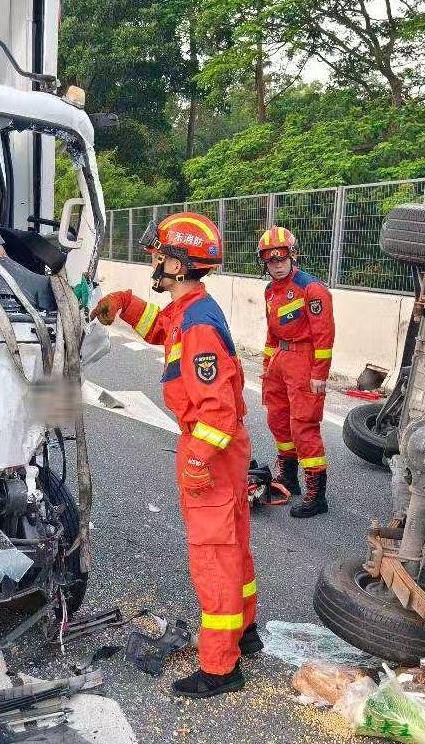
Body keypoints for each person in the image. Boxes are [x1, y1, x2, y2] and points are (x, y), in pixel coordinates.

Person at [89, 212, 260, 698]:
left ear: (180, 264)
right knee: (234, 545)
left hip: (211, 447)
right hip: (220, 449)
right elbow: (162, 328)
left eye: (160, 255)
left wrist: (197, 460)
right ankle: (244, 634)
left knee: (214, 556)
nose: (154, 261)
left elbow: (219, 414)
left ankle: (221, 668)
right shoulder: (190, 311)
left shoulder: (200, 326)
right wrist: (123, 304)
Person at [258, 226, 335, 518]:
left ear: (292, 256)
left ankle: (317, 496)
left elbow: (324, 337)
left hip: (304, 361)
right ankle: (289, 477)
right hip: (280, 359)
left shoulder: (312, 289)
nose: (276, 264)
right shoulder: (269, 291)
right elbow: (271, 333)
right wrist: (267, 368)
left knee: (304, 426)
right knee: (278, 420)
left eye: (281, 258)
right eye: (270, 260)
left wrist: (319, 374)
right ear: (264, 262)